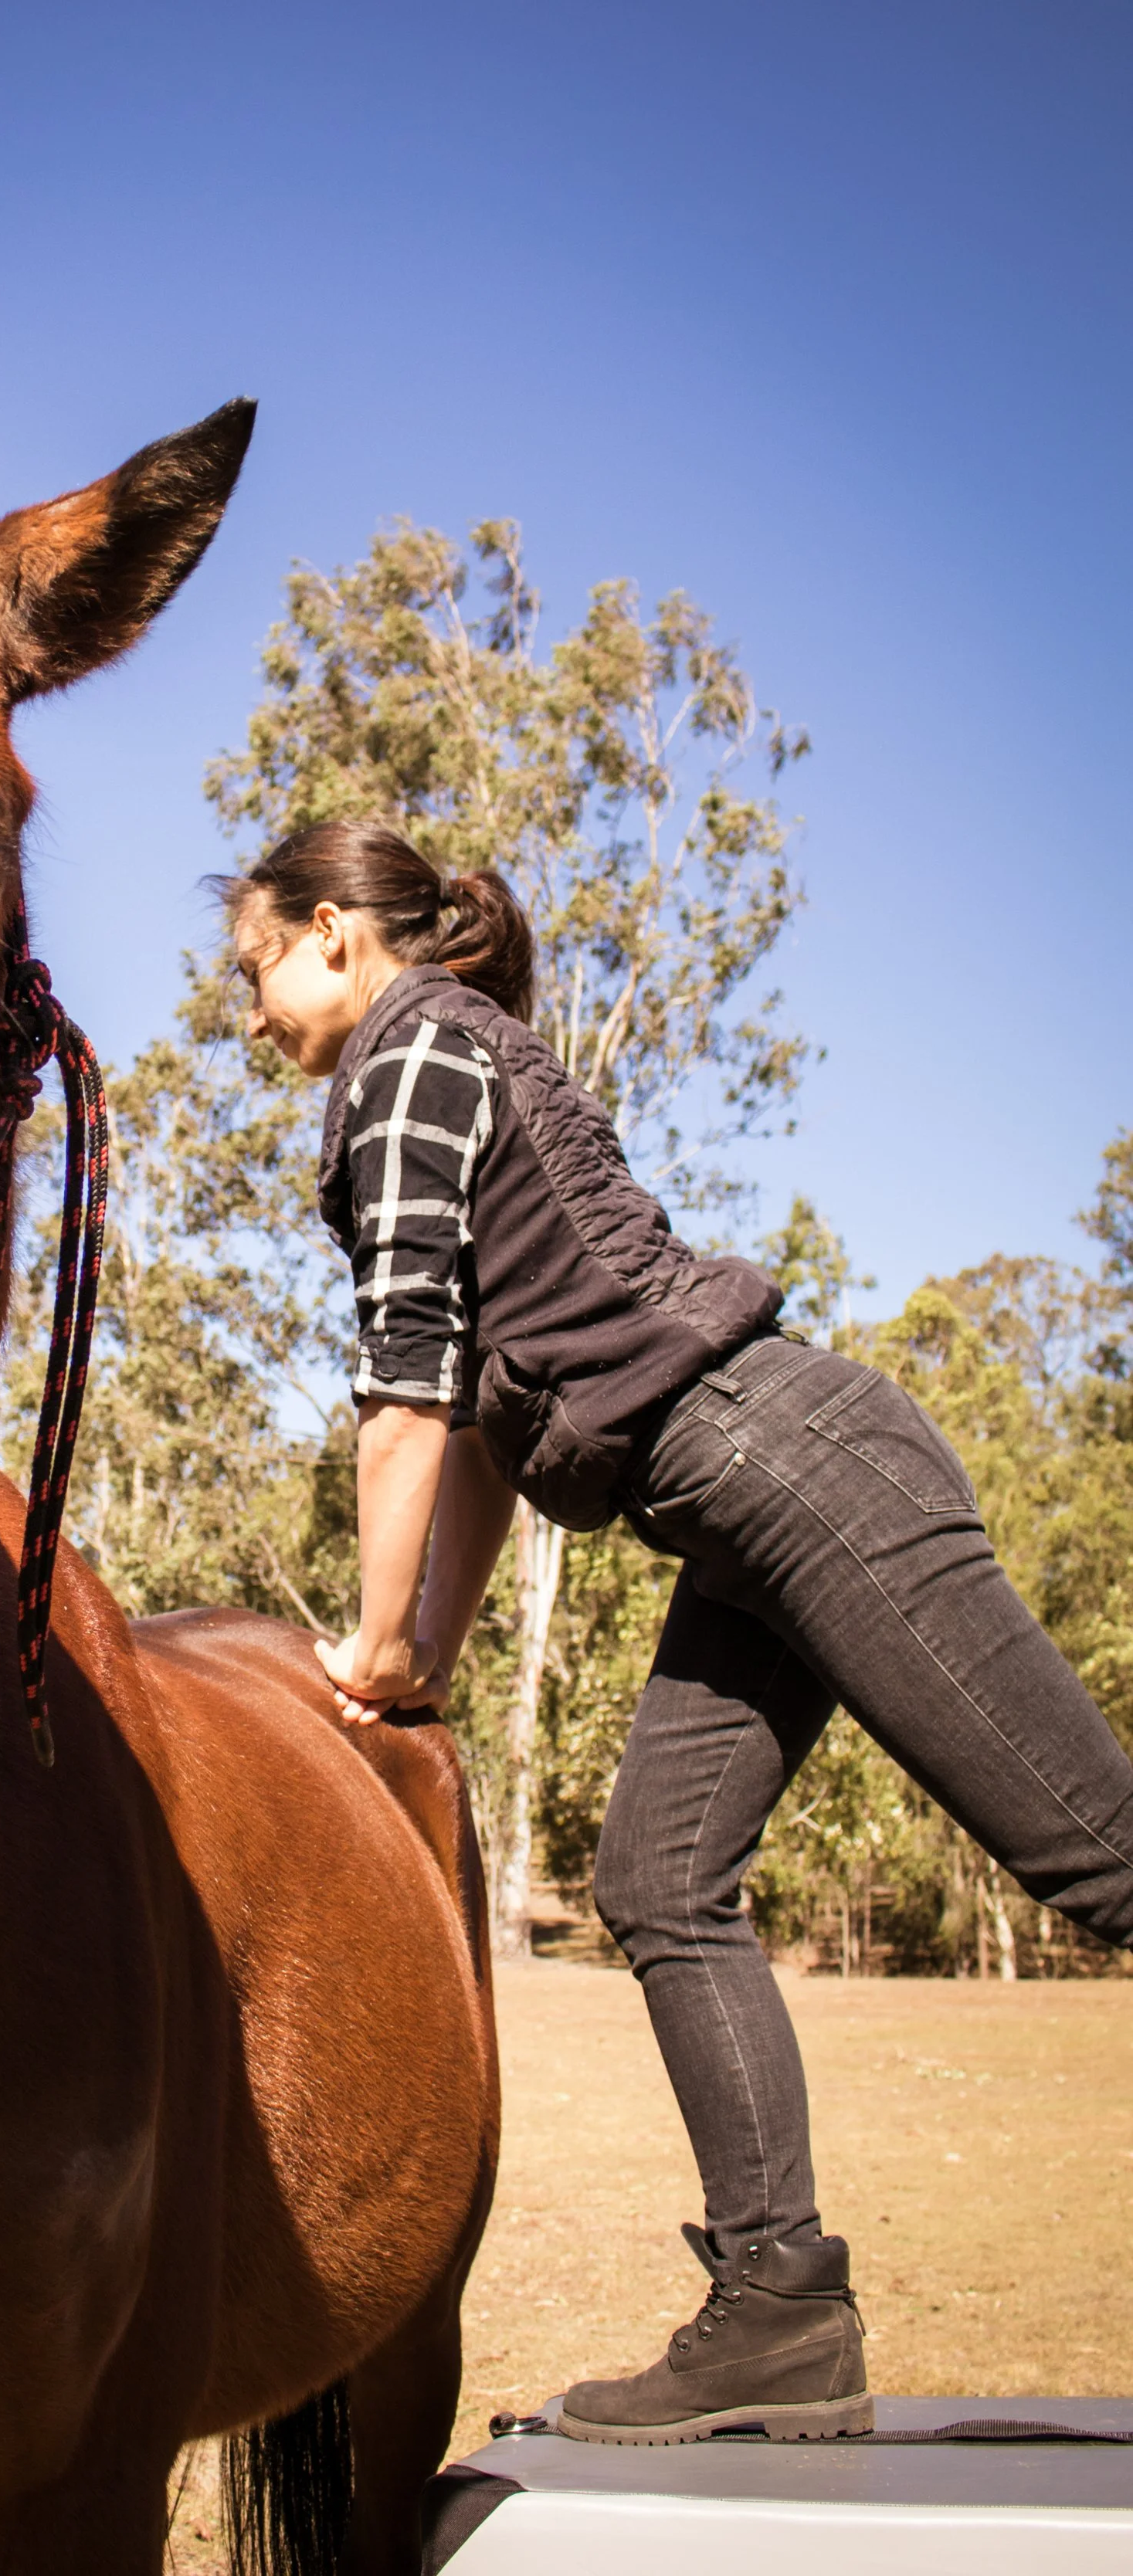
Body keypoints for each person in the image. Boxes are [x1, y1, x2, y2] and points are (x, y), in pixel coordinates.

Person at [224, 814, 1133, 2446]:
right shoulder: (442, 1054)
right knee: (652, 1876)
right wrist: (417, 1646)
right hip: (741, 1509)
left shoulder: (410, 1050)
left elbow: (406, 1383)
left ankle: (777, 2301)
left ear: (333, 934)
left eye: (253, 967)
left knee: (1098, 1858)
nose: (248, 1011)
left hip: (793, 1466)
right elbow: (492, 1431)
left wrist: (363, 1638)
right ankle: (776, 2309)